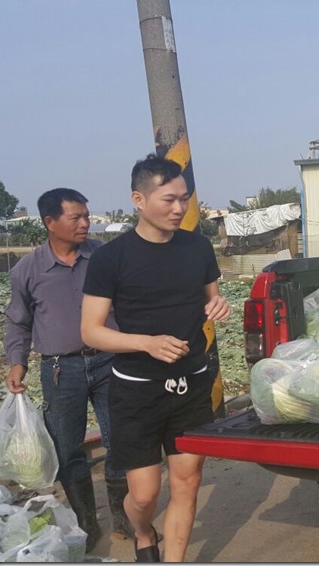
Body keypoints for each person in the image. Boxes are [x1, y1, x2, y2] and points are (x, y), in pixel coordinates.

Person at [81, 155, 230, 562]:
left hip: (191, 384)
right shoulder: (111, 258)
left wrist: (219, 305)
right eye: (168, 200)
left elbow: (212, 297)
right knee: (144, 496)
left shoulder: (198, 247)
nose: (179, 209)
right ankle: (144, 531)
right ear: (138, 199)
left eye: (184, 199)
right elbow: (91, 330)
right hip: (137, 391)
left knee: (188, 482)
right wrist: (146, 343)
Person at [4, 188, 135, 550]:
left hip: (112, 362)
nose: (85, 223)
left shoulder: (104, 257)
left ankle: (124, 516)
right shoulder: (28, 270)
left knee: (120, 440)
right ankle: (87, 524)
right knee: (69, 451)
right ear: (50, 222)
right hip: (62, 371)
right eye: (75, 217)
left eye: (86, 216)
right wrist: (17, 363)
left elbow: (130, 300)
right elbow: (17, 322)